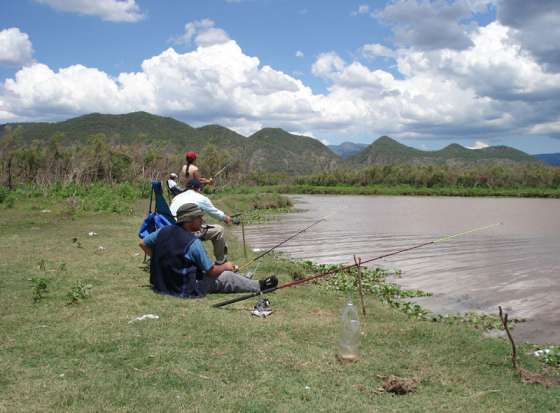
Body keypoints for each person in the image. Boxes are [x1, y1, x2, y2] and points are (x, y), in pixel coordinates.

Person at [139, 203, 278, 298]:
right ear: (189, 220)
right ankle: (260, 286)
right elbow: (211, 271)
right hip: (183, 289)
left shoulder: (163, 231)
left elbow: (143, 243)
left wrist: (157, 257)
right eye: (199, 217)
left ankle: (248, 281)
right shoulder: (193, 242)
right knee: (226, 276)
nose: (202, 220)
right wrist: (225, 266)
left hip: (159, 285)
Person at [170, 178, 235, 264]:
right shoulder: (201, 198)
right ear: (198, 188)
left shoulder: (176, 197)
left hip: (171, 228)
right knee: (219, 230)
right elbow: (214, 212)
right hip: (187, 231)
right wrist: (226, 218)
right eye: (201, 188)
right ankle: (221, 262)